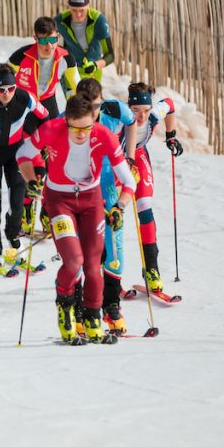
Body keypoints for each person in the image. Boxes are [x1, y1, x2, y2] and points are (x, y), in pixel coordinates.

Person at [17, 95, 136, 345]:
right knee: (74, 260)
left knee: (93, 265)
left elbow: (129, 181)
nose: (81, 134)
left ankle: (93, 318)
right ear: (66, 121)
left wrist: (119, 207)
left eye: (86, 128)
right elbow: (23, 155)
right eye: (75, 129)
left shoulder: (104, 135)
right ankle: (66, 309)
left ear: (94, 119)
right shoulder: (52, 129)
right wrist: (31, 180)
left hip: (91, 202)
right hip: (59, 201)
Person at [0, 64, 47, 274]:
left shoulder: (25, 97)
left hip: (15, 155)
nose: (6, 94)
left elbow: (45, 117)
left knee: (18, 203)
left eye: (10, 89)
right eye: (0, 90)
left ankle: (13, 239)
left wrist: (43, 143)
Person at [74, 78, 137, 333]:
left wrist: (130, 156)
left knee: (114, 244)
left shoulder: (114, 109)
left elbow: (132, 122)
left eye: (96, 105)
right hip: (81, 189)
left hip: (108, 184)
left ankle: (111, 306)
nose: (92, 111)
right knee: (82, 251)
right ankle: (80, 309)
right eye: (87, 106)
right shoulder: (69, 118)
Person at [9, 16, 79, 234]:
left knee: (52, 161)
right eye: (43, 40)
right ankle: (26, 210)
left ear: (57, 37)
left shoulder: (66, 57)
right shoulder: (20, 57)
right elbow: (5, 87)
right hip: (25, 109)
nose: (49, 46)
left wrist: (77, 112)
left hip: (48, 107)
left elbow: (74, 88)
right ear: (35, 38)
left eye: (53, 40)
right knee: (27, 160)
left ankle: (47, 211)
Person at [127, 81, 182, 293]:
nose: (141, 116)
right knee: (112, 212)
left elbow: (170, 104)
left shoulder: (153, 115)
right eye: (136, 110)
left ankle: (151, 270)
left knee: (145, 209)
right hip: (116, 160)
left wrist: (171, 136)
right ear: (129, 107)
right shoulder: (120, 116)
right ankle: (107, 270)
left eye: (146, 110)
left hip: (139, 157)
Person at [55, 0, 115, 81]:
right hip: (70, 71)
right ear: (68, 6)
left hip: (93, 72)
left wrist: (95, 65)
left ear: (88, 6)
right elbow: (46, 40)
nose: (78, 14)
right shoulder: (60, 20)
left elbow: (110, 55)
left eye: (82, 10)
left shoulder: (98, 20)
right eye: (74, 10)